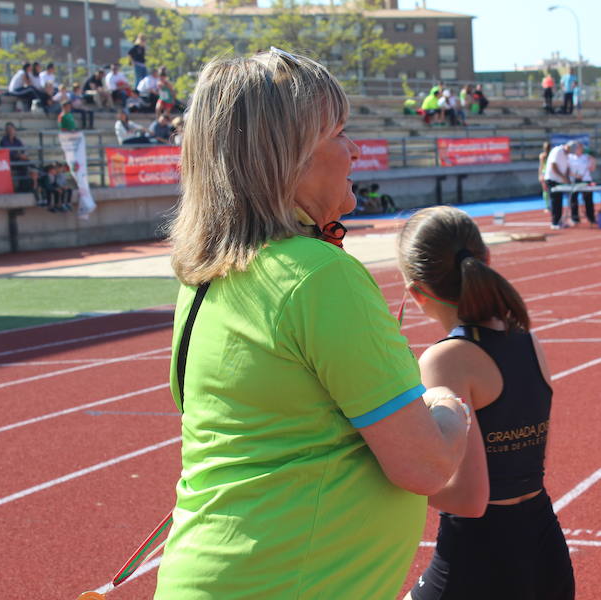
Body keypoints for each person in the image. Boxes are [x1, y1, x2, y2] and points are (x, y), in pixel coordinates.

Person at [153, 49, 471, 599]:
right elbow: (425, 465)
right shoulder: (318, 275)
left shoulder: (206, 277)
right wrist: (448, 405)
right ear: (287, 158)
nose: (354, 151)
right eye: (339, 133)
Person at [398, 206, 575, 600]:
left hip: (479, 560)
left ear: (415, 292)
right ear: (487, 260)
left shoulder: (447, 359)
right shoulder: (527, 339)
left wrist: (392, 477)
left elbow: (469, 499)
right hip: (545, 552)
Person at [544, 141, 574, 229]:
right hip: (552, 179)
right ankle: (554, 222)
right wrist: (563, 177)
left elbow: (567, 167)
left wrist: (567, 178)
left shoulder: (567, 154)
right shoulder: (557, 151)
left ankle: (559, 221)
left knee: (559, 200)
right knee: (555, 200)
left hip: (559, 180)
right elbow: (553, 165)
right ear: (567, 147)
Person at [0, 122, 32, 192]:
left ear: (14, 130)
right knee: (24, 164)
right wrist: (18, 155)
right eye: (8, 129)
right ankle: (22, 188)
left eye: (11, 129)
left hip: (18, 160)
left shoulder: (17, 141)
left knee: (25, 164)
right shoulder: (3, 141)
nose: (10, 131)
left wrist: (23, 155)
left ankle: (25, 188)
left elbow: (22, 150)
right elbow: (8, 152)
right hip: (9, 161)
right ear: (6, 131)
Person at [569, 144, 597, 225]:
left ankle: (591, 218)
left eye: (580, 147)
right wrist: (576, 176)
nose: (579, 149)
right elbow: (567, 170)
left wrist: (593, 161)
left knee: (588, 200)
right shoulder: (570, 157)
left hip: (586, 180)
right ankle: (575, 219)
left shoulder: (586, 157)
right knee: (573, 199)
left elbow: (592, 169)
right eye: (577, 147)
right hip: (575, 181)